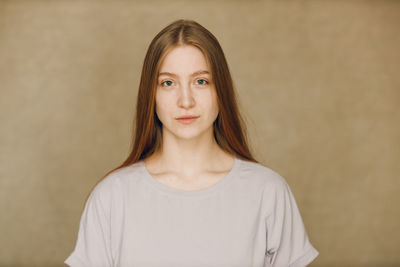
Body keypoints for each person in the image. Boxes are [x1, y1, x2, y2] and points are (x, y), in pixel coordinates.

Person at [64, 19, 319, 267]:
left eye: (200, 81)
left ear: (221, 90)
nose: (186, 100)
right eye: (168, 83)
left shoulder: (268, 192)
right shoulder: (111, 198)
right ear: (150, 95)